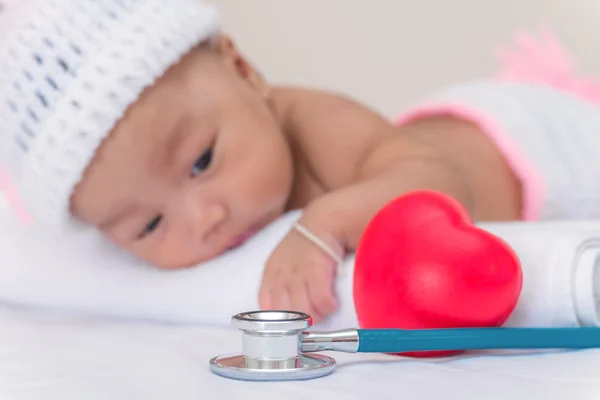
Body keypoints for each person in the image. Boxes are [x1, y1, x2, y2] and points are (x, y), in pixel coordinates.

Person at [2, 0, 600, 323]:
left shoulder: (314, 125)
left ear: (244, 70)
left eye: (202, 161)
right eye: (148, 225)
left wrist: (324, 226)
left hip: (534, 144)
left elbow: (438, 184)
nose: (203, 217)